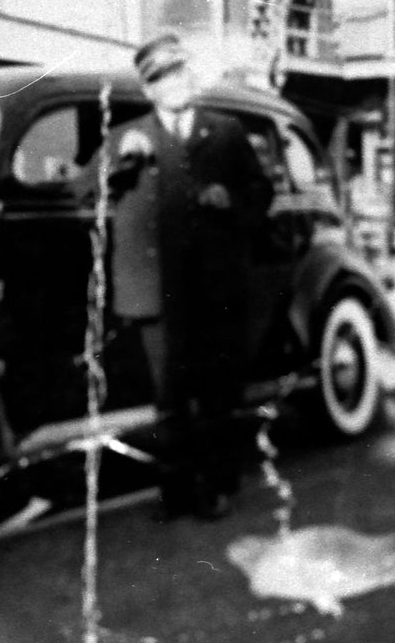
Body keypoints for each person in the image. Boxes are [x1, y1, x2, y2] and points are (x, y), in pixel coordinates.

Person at [102, 33, 273, 521]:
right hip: (158, 292)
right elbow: (81, 189)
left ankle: (217, 484)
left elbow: (261, 193)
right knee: (169, 397)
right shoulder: (129, 137)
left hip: (215, 288)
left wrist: (232, 200)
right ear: (148, 90)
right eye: (159, 79)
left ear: (190, 78)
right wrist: (119, 160)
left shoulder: (226, 132)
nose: (172, 85)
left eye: (177, 74)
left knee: (216, 393)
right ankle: (176, 493)